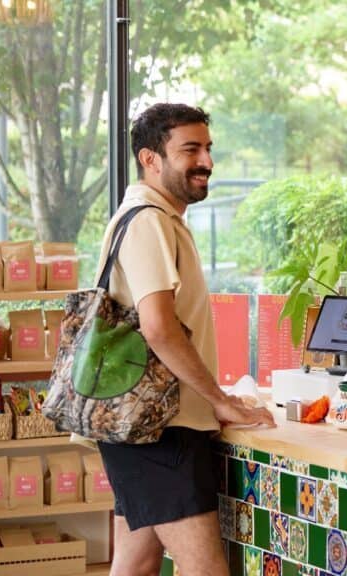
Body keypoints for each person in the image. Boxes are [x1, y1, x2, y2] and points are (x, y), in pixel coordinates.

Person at [95, 103, 275, 576]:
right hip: (161, 429)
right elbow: (158, 327)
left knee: (136, 561)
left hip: (139, 424)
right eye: (190, 149)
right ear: (150, 159)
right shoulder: (149, 221)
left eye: (208, 148)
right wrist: (219, 400)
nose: (206, 161)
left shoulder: (154, 218)